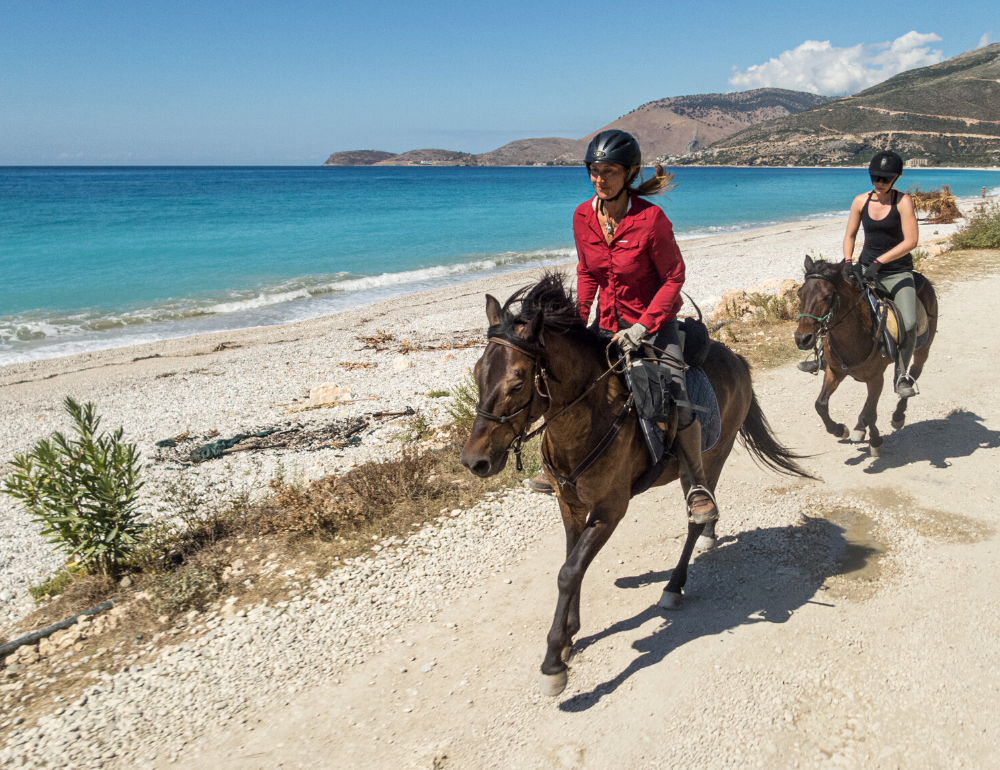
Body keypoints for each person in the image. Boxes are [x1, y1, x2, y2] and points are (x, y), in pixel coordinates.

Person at [525, 130, 718, 524]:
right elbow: (586, 271)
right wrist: (578, 317)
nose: (600, 179)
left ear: (629, 173)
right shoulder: (582, 216)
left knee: (675, 392)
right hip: (606, 324)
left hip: (654, 325)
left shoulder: (651, 219)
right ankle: (556, 467)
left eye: (609, 171)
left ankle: (696, 484)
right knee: (564, 383)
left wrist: (644, 326)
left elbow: (674, 278)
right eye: (594, 171)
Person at [843, 150, 920, 397]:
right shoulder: (860, 201)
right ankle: (824, 357)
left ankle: (901, 375)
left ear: (895, 178)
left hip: (897, 272)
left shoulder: (903, 202)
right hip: (866, 270)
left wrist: (881, 261)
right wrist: (847, 260)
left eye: (885, 179)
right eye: (875, 177)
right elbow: (850, 235)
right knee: (837, 307)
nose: (879, 182)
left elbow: (911, 241)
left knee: (908, 323)